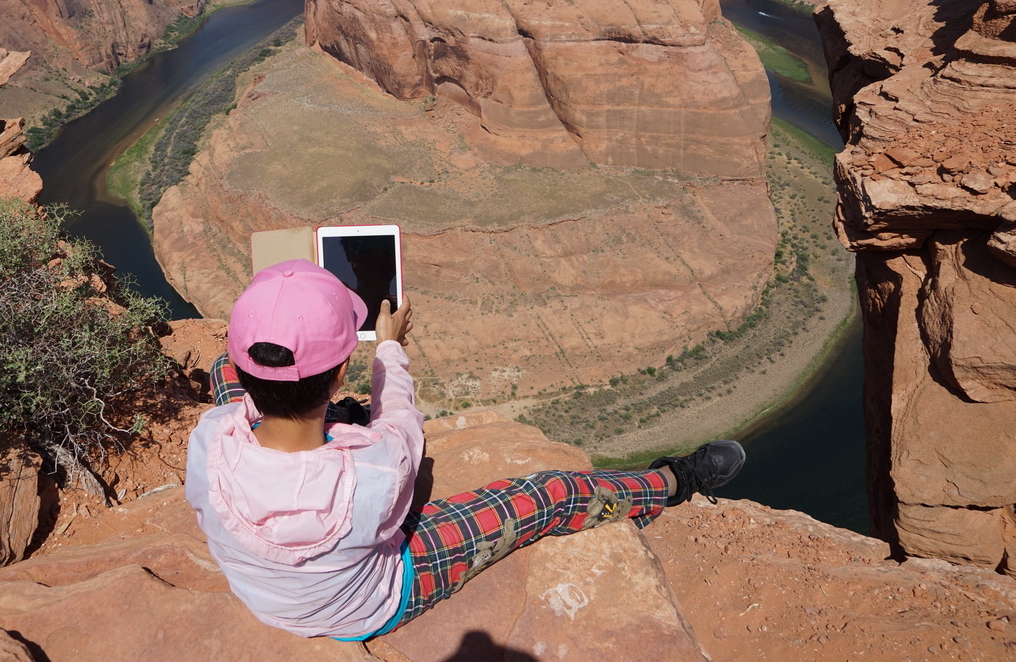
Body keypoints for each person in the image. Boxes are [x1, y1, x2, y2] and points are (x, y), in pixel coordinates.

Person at [185, 259, 745, 640]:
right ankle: (673, 483)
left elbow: (240, 402)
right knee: (546, 494)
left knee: (223, 378)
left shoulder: (208, 438)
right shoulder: (377, 468)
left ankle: (277, 393)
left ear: (245, 372)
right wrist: (388, 351)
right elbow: (401, 419)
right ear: (337, 379)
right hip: (367, 603)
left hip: (262, 595)